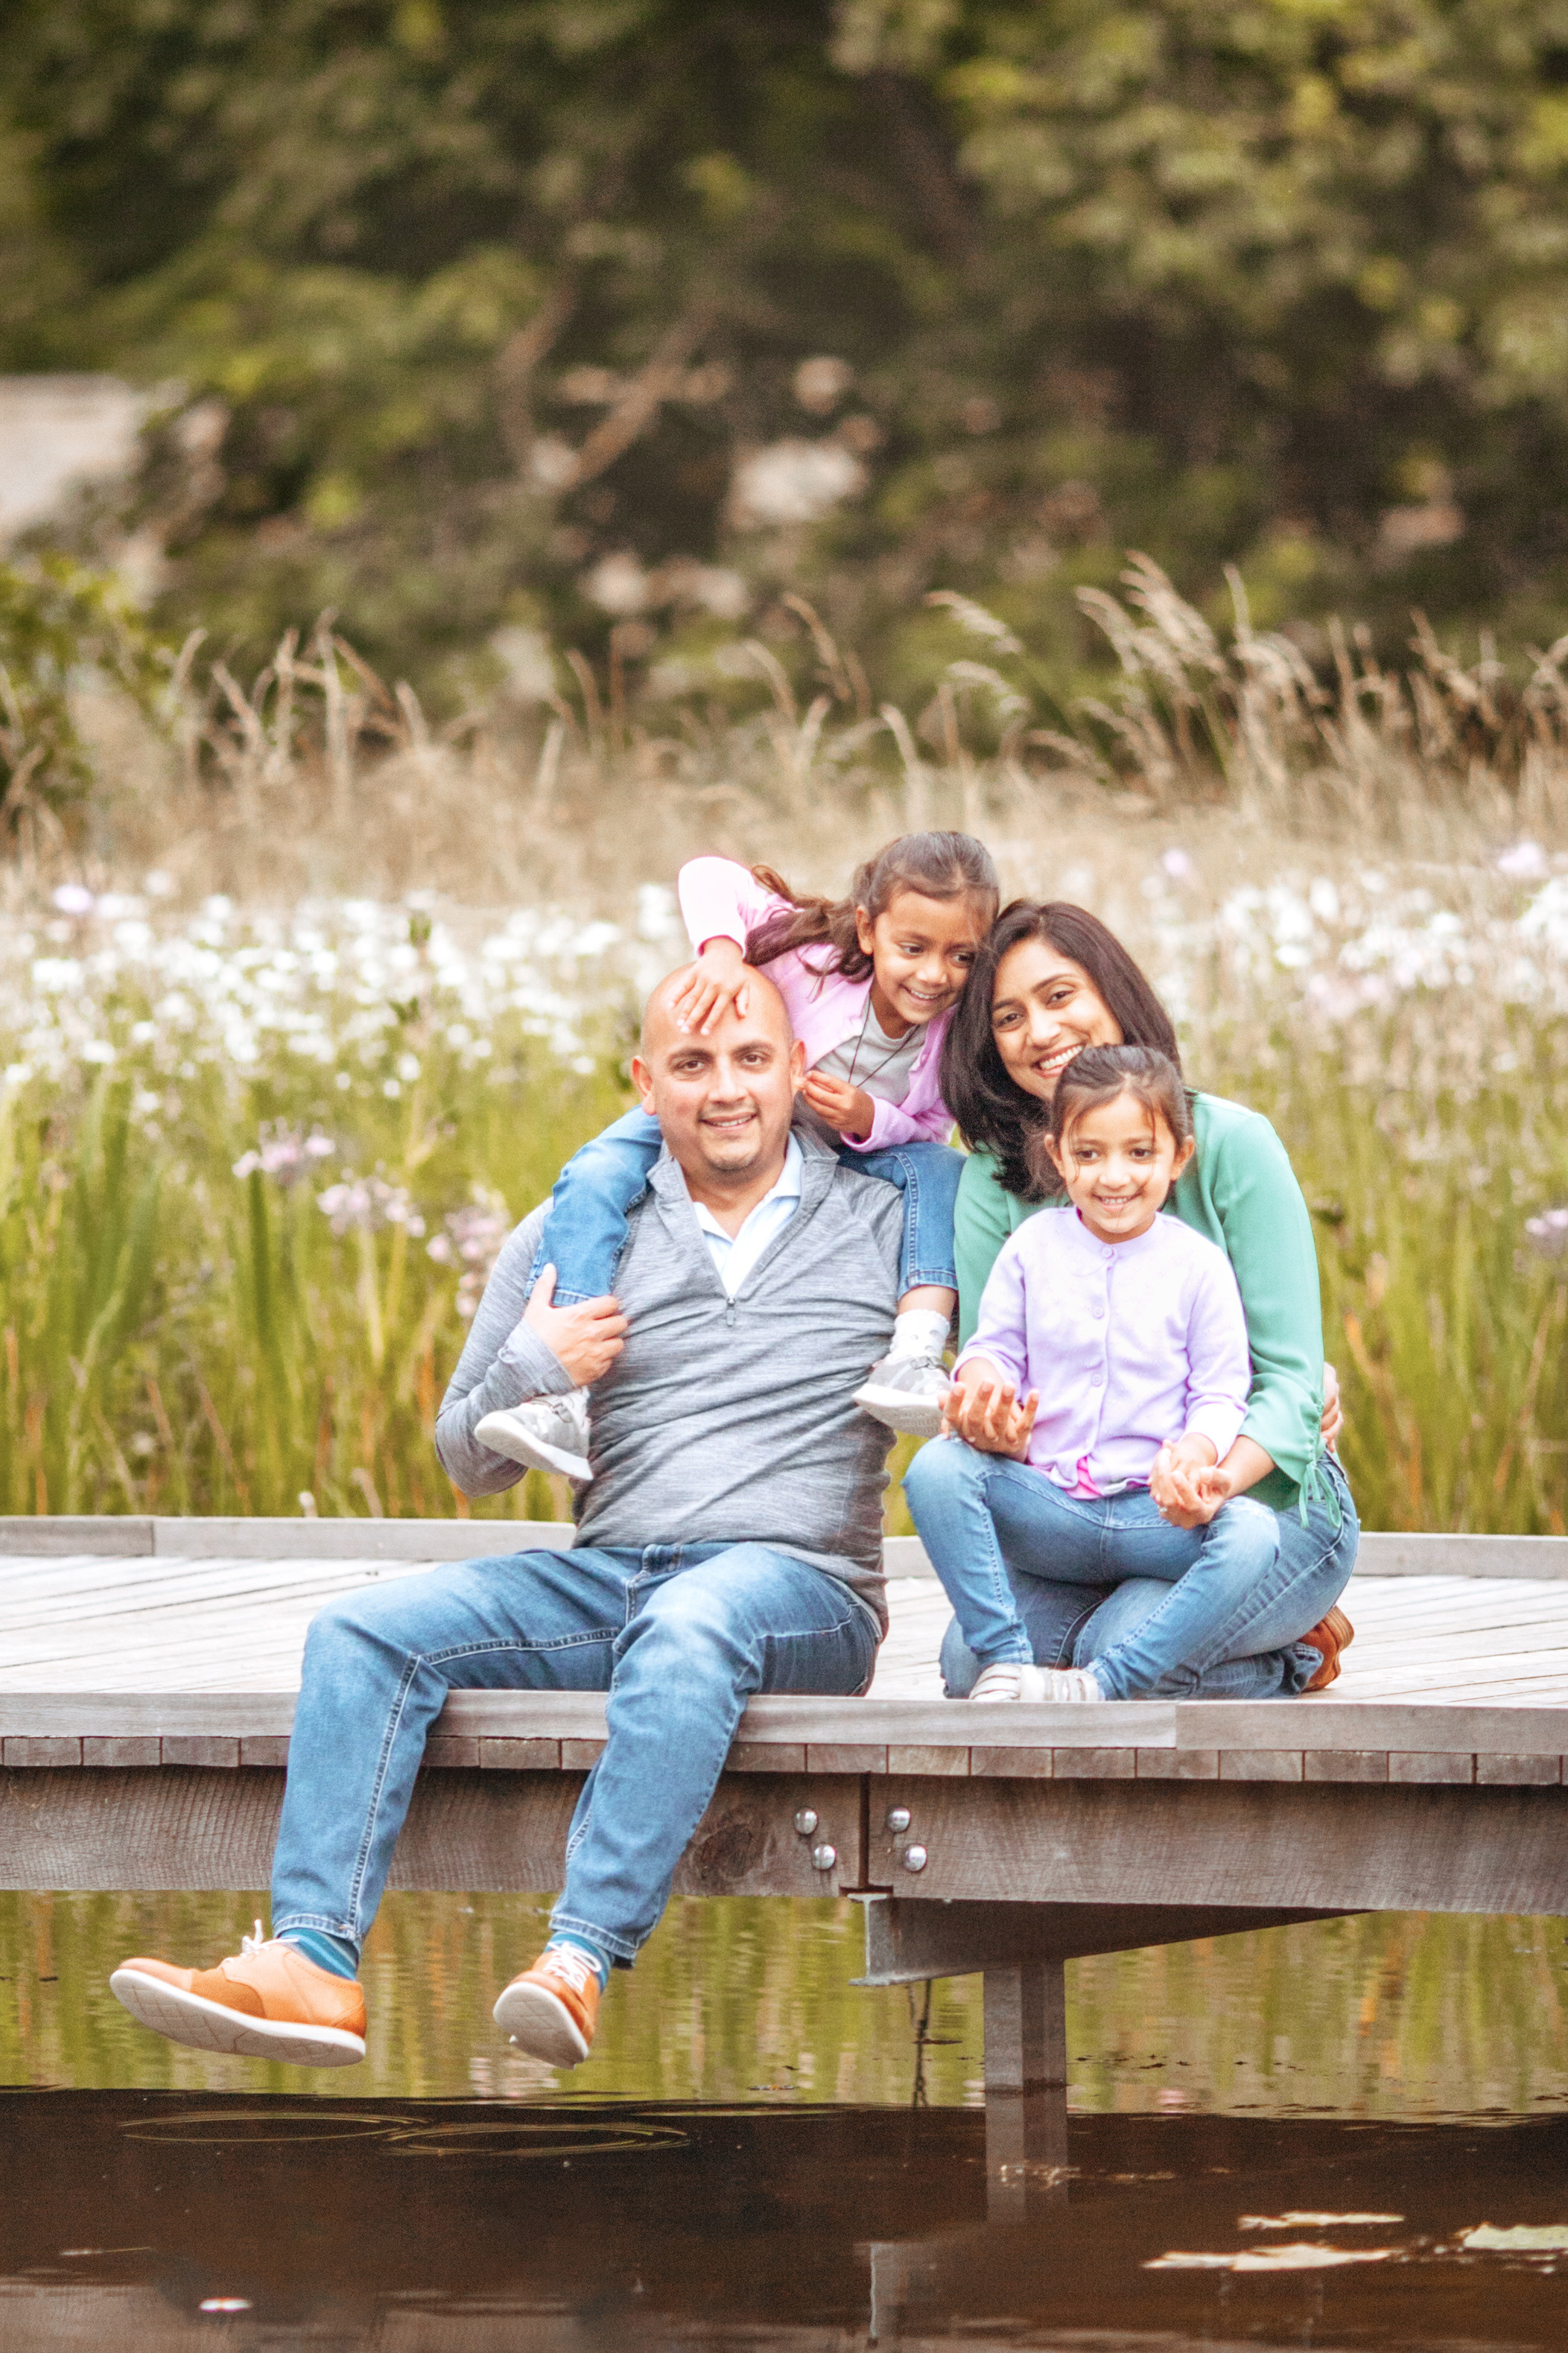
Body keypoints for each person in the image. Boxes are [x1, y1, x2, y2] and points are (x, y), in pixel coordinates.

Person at [108, 962, 904, 2072]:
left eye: (750, 1059)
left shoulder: (886, 1219)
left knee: (694, 1624)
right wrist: (535, 1364)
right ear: (644, 1080)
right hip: (615, 1572)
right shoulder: (574, 1229)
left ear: (796, 1068)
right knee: (360, 1633)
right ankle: (311, 1961)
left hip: (801, 1588)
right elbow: (463, 1457)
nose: (725, 1088)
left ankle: (577, 1956)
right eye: (691, 1063)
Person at [922, 900, 1357, 1701]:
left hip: (1249, 1506)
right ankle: (1170, 1645)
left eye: (1059, 997)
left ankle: (1287, 1653)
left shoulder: (1231, 1145)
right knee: (967, 1666)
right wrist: (989, 1409)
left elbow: (1292, 1387)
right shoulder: (992, 1180)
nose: (1039, 1031)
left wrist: (1211, 1476)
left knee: (1122, 1648)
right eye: (1008, 1017)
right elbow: (996, 1357)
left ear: (1113, 993)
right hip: (1080, 1512)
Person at [474, 832, 998, 1482]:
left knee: (943, 1172)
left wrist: (869, 1118)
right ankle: (559, 1396)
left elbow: (930, 1128)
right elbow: (708, 874)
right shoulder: (816, 961)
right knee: (595, 1171)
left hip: (841, 1156)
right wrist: (720, 953)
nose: (932, 974)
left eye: (960, 956)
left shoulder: (953, 1035)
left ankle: (913, 1356)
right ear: (867, 930)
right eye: (912, 948)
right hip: (728, 1123)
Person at [909, 1043, 1284, 1701]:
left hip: (1155, 1519)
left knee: (1252, 1531)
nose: (1114, 1176)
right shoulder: (1032, 1247)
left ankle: (1112, 1682)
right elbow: (993, 1345)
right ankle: (1004, 1659)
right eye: (1089, 1154)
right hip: (1051, 1512)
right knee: (936, 1471)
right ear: (1057, 1156)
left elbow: (1221, 1392)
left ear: (1178, 1157)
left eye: (1139, 1153)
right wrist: (983, 1380)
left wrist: (1194, 1461)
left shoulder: (1197, 1266)